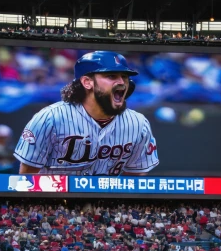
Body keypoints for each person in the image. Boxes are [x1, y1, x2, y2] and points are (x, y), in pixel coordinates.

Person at [15, 51, 159, 176]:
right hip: (53, 199)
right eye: (111, 76)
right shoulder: (50, 118)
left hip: (107, 203)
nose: (122, 82)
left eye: (125, 76)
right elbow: (28, 175)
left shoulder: (138, 123)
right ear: (87, 82)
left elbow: (135, 176)